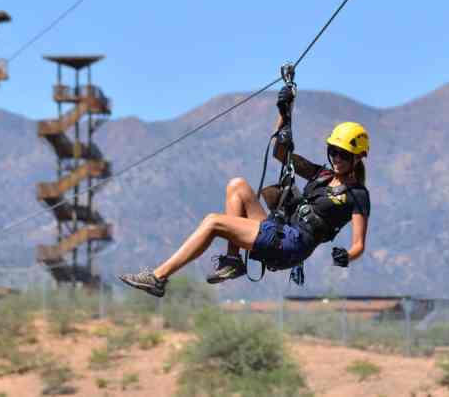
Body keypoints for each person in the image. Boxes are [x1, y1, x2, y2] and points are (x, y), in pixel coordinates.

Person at [118, 86, 371, 297]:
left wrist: (346, 256)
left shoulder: (357, 195)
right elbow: (280, 153)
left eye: (344, 154)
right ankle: (232, 260)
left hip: (293, 244)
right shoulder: (320, 174)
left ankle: (158, 277)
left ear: (358, 158)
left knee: (213, 222)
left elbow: (358, 244)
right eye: (333, 151)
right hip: (281, 230)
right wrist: (284, 112)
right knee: (237, 185)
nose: (336, 158)